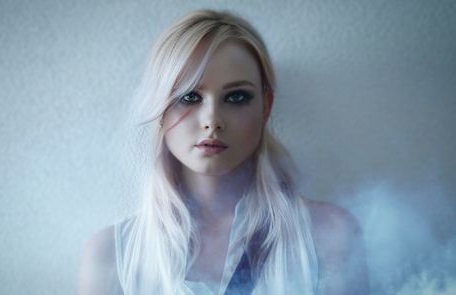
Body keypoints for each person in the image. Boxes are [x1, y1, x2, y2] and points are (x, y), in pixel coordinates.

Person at [78, 10, 369, 295]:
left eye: (236, 97)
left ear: (265, 106)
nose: (212, 120)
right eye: (189, 96)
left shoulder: (330, 235)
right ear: (160, 108)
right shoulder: (111, 256)